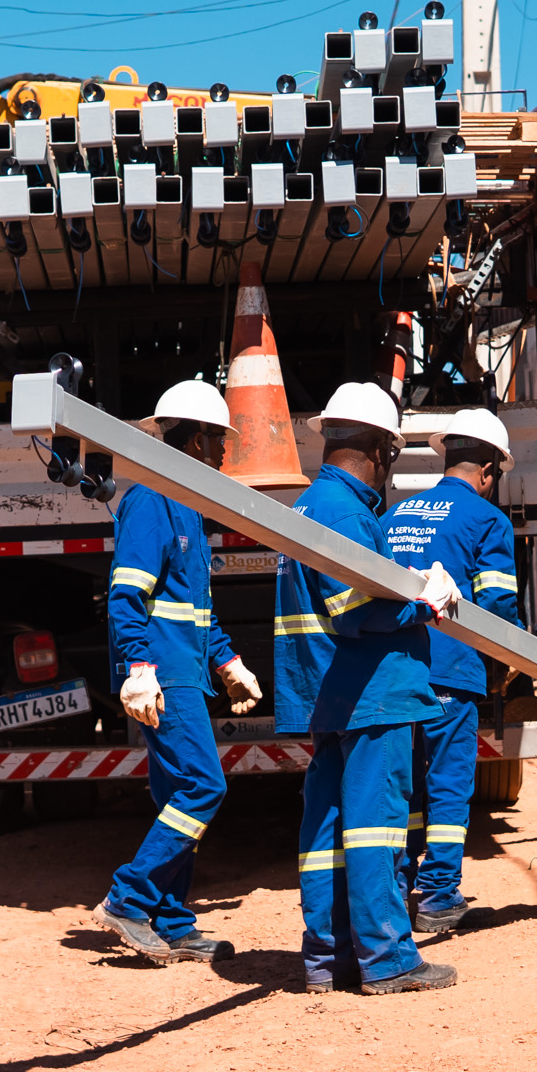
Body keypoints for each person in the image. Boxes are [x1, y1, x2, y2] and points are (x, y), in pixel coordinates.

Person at [275, 381, 462, 994]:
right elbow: (358, 613)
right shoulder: (349, 514)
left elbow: (345, 599)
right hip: (371, 691)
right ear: (383, 450)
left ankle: (328, 958)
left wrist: (404, 581)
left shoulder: (308, 505)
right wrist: (426, 604)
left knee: (329, 832)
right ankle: (387, 958)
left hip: (331, 694)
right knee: (376, 827)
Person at [94, 380, 265, 965]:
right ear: (194, 440)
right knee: (203, 785)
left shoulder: (186, 506)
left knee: (176, 794)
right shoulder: (153, 501)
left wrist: (229, 662)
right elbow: (125, 597)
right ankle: (129, 899)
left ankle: (171, 918)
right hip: (165, 675)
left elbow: (195, 609)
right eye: (219, 441)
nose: (224, 454)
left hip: (185, 671)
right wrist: (139, 668)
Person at [383, 407, 523, 932]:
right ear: (488, 469)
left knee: (404, 786)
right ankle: (439, 895)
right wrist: (501, 665)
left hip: (393, 671)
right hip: (450, 670)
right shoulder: (487, 519)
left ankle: (398, 888)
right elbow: (498, 607)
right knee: (447, 783)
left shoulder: (394, 515)